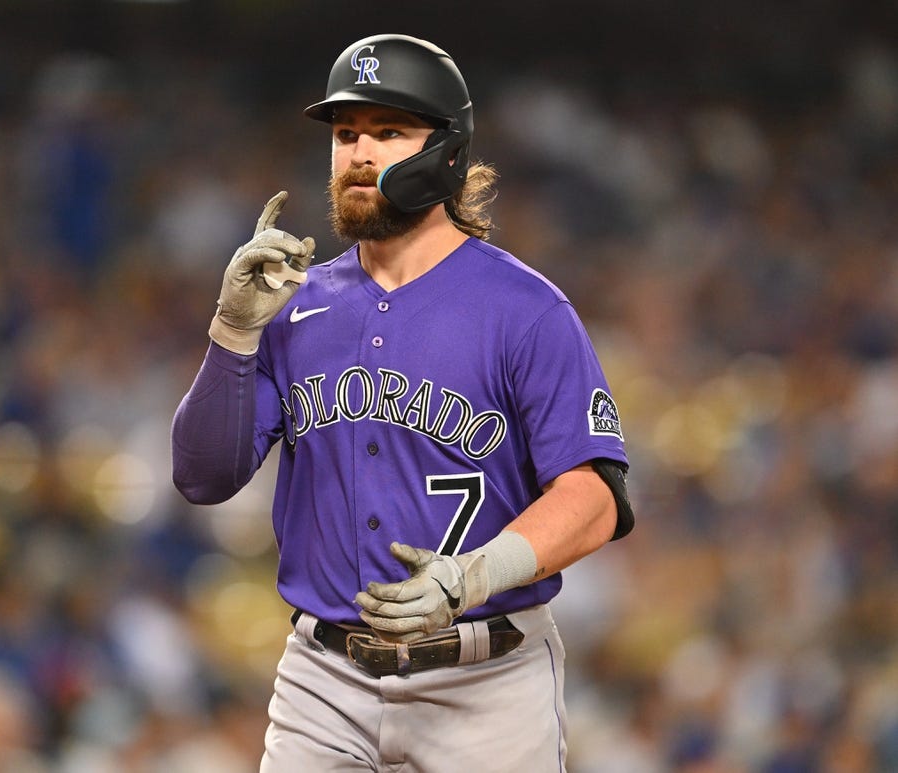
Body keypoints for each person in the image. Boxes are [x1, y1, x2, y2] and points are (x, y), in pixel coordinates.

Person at [171, 33, 634, 772]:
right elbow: (202, 476)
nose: (359, 152)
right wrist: (231, 332)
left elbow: (594, 498)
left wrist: (474, 573)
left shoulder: (526, 309)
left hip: (489, 680)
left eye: (389, 131)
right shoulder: (294, 306)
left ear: (447, 152)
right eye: (346, 132)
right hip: (325, 678)